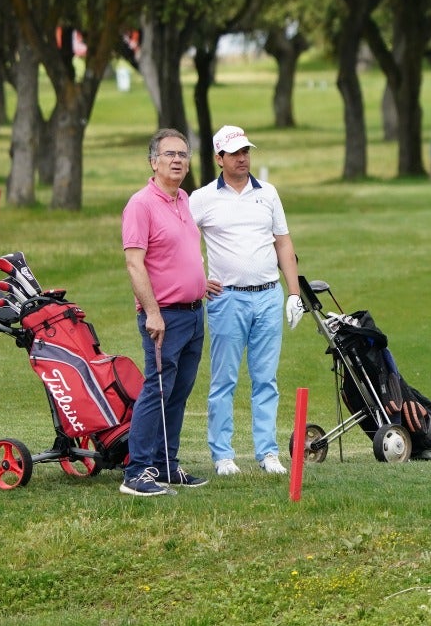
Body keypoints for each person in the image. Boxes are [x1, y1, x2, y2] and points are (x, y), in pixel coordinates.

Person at [189, 125, 304, 476]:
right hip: (227, 299)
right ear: (218, 158)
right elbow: (184, 243)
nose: (243, 158)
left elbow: (282, 243)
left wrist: (294, 293)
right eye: (235, 153)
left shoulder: (267, 193)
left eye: (246, 152)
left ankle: (268, 453)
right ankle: (223, 455)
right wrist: (198, 276)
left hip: (268, 295)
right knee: (224, 380)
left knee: (266, 379)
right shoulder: (203, 198)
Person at [120, 128, 209, 496]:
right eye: (170, 154)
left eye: (183, 154)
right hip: (164, 317)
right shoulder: (141, 204)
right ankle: (137, 471)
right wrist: (152, 312)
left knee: (177, 393)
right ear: (153, 162)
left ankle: (166, 465)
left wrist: (202, 282)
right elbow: (134, 264)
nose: (177, 160)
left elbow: (181, 254)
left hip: (193, 314)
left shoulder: (184, 199)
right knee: (156, 390)